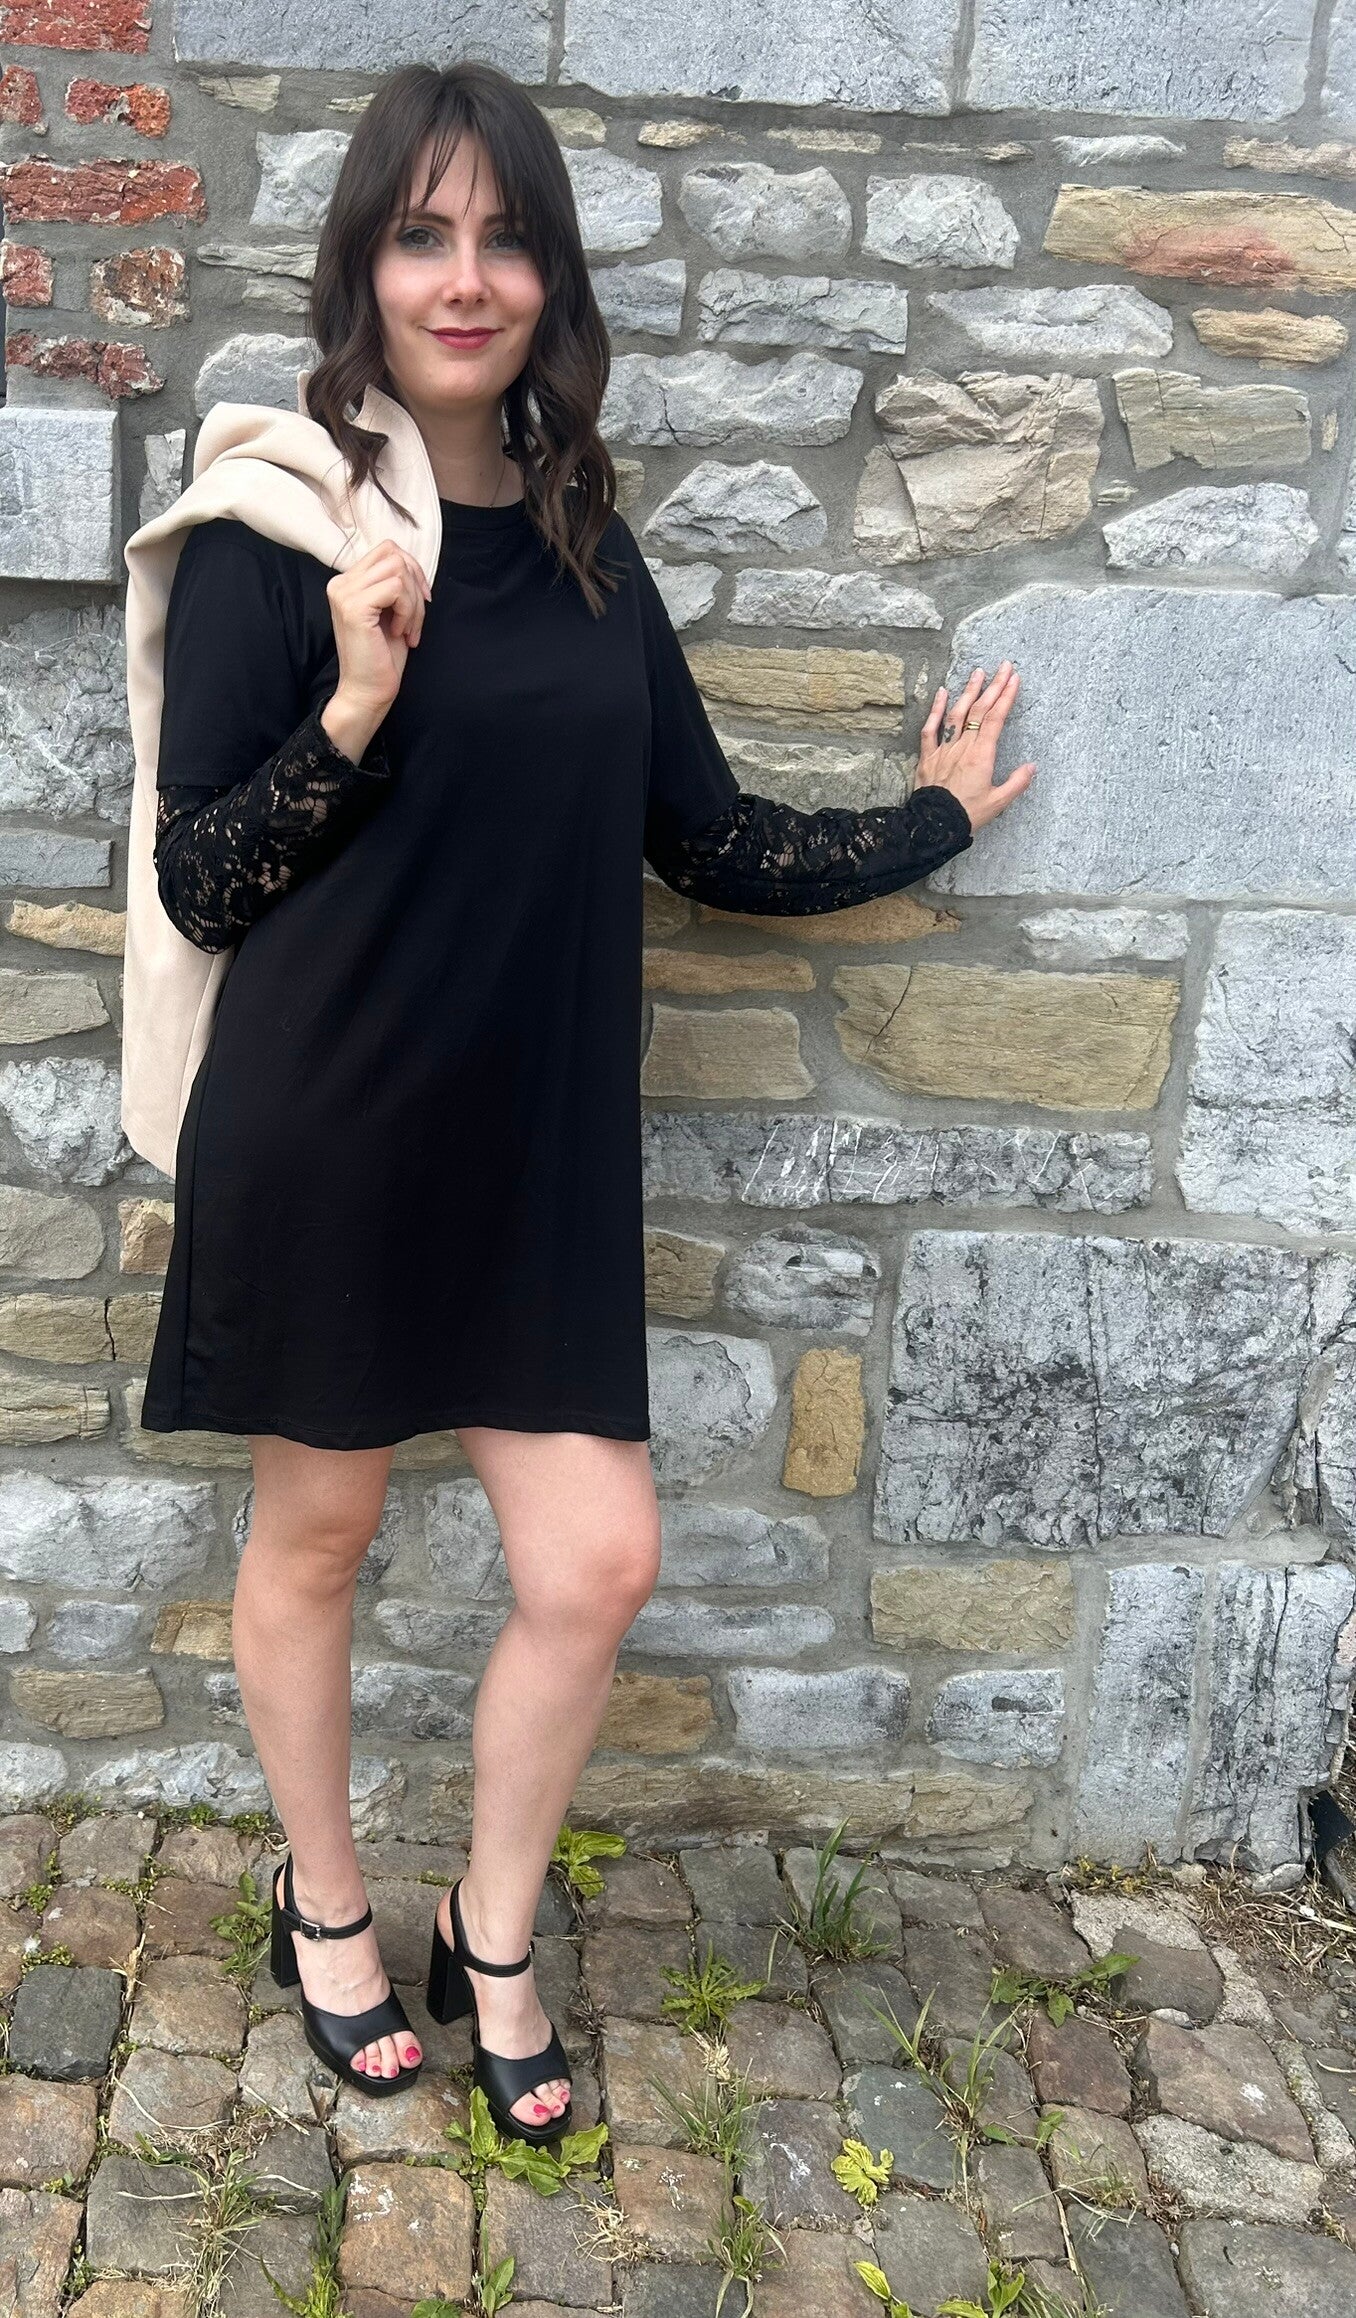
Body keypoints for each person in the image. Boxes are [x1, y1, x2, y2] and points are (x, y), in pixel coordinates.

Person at [136, 60, 1037, 2136]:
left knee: (596, 1559)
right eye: (422, 235)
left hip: (526, 1153)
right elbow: (199, 880)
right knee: (320, 1532)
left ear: (549, 277)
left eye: (503, 238)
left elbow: (702, 837)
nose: (465, 279)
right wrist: (355, 701)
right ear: (365, 266)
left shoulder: (586, 550)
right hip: (327, 1127)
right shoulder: (282, 531)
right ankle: (325, 1904)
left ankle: (494, 1921)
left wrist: (927, 820)